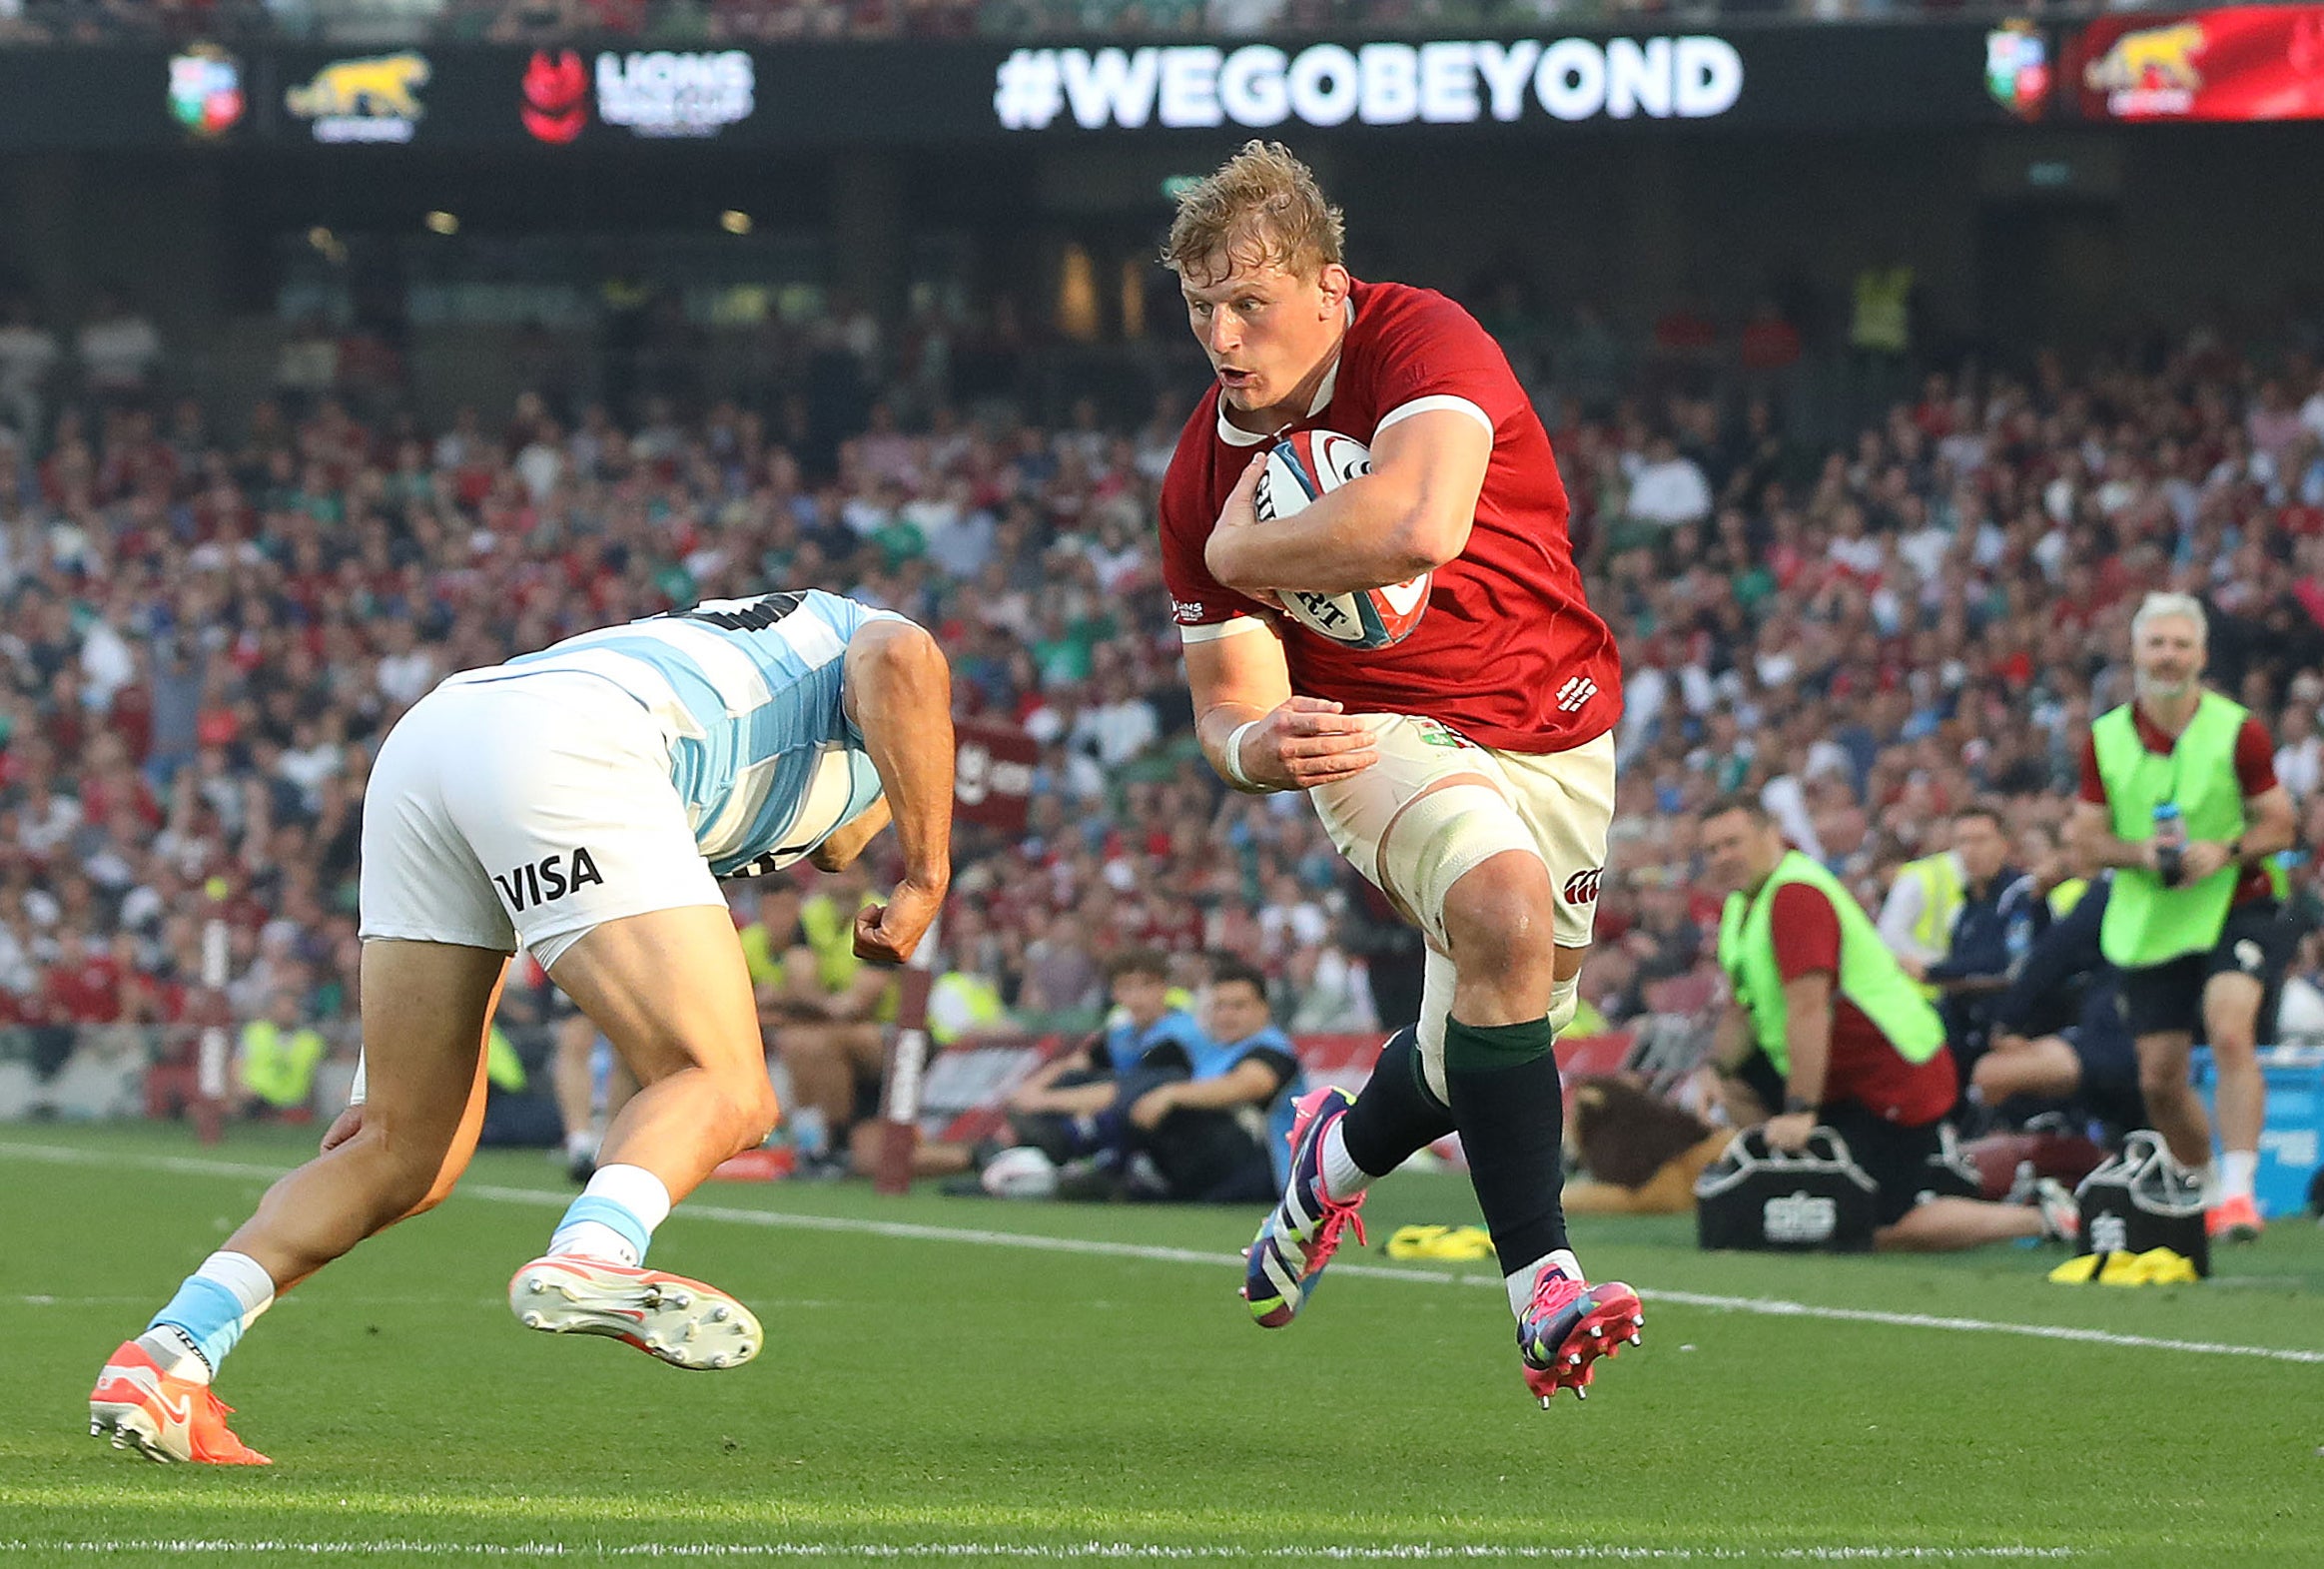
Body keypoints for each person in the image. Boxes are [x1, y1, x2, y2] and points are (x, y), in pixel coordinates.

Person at [89, 589, 955, 1464]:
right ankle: (593, 1250)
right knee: (723, 1083)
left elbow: (839, 838)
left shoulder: (772, 717)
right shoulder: (869, 647)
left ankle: (165, 1358)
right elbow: (900, 660)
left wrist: (372, 1080)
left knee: (400, 1150)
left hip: (440, 740)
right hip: (572, 744)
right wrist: (926, 873)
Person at [1153, 141, 1640, 1405]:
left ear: (1330, 286)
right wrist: (1260, 747)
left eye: (1248, 300)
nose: (1222, 331)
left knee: (1497, 1019)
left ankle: (1330, 1159)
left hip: (1555, 715)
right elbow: (1228, 708)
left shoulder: (1420, 340)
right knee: (1499, 911)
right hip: (1378, 733)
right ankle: (1544, 1287)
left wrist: (1243, 546)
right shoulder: (1197, 474)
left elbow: (1416, 520)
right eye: (1201, 303)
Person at [1700, 795, 2074, 1252]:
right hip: (1840, 1073)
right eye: (1712, 850)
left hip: (1891, 1072)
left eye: (1732, 843)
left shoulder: (1794, 895)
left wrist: (1799, 1109)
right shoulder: (1744, 905)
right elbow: (1743, 1006)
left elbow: (1809, 1009)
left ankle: (2040, 1218)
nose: (1722, 858)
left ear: (1769, 835)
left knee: (1872, 1224)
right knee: (1738, 1081)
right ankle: (1792, 1180)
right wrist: (1715, 1072)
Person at [2067, 592, 2297, 1240]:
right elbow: (2086, 841)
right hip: (2153, 914)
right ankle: (2199, 1189)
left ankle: (2241, 1192)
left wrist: (2222, 849)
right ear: (2135, 652)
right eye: (2155, 644)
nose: (2167, 656)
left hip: (2235, 898)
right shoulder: (2106, 738)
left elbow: (2280, 822)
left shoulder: (2237, 729)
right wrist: (2140, 852)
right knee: (2159, 1080)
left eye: (2178, 644)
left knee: (2228, 1033)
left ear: (2199, 655)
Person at [1115, 957, 1305, 1204]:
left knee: (1168, 1091)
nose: (1226, 1015)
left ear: (1263, 1009)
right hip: (1225, 1164)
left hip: (1267, 1168)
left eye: (1238, 1006)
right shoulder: (1216, 1050)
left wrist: (1170, 1094)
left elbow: (1250, 1084)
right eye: (1219, 1006)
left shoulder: (1272, 1048)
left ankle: (1126, 1167)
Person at [1971, 876, 2145, 1135]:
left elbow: (2050, 956)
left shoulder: (2113, 889)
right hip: (2121, 1032)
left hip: (2118, 1039)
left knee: (1990, 1072)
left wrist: (2008, 1024)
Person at [1005, 947, 1205, 1163]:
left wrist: (1041, 1100)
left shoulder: (1179, 1035)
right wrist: (1027, 1092)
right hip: (1124, 1114)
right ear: (1115, 993)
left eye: (1147, 985)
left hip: (1173, 1123)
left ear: (1164, 988)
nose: (1138, 996)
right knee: (1071, 1081)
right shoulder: (1121, 1035)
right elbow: (1073, 1065)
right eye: (1127, 987)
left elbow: (1126, 1093)